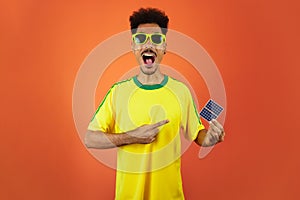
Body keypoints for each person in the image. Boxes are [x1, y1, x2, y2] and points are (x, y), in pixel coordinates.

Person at [85, 7, 225, 200]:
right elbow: (90, 138)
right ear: (133, 46)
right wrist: (132, 136)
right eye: (140, 39)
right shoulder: (117, 92)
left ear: (165, 47)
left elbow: (198, 133)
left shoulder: (181, 91)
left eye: (157, 39)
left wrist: (210, 138)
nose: (148, 45)